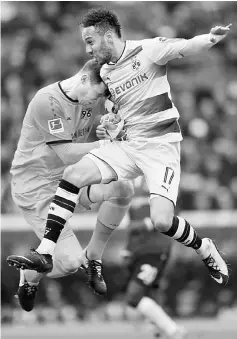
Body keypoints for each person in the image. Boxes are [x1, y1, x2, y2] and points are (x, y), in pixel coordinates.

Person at [8, 8, 231, 292]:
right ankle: (48, 252)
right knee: (75, 174)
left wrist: (210, 38)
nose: (88, 49)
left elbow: (185, 47)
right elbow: (114, 111)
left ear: (109, 35)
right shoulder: (104, 73)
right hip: (128, 146)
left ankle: (204, 247)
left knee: (162, 221)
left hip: (160, 147)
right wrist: (110, 123)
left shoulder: (148, 50)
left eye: (91, 41)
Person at [6, 59, 134, 312]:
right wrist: (108, 145)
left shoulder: (86, 102)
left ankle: (94, 256)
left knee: (124, 189)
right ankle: (30, 275)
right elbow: (66, 152)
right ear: (85, 79)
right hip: (35, 188)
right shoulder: (47, 101)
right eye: (97, 94)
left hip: (67, 180)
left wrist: (102, 133)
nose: (96, 100)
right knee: (69, 265)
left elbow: (76, 144)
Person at [121, 177, 187, 339]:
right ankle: (158, 330)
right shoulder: (131, 195)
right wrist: (128, 249)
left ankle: (173, 331)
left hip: (155, 252)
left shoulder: (164, 191)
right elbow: (131, 227)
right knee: (150, 294)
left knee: (134, 297)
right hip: (138, 252)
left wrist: (147, 224)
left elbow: (171, 219)